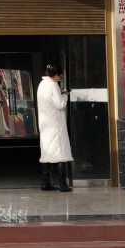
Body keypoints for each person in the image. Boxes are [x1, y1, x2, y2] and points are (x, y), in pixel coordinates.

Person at [36, 64, 72, 192]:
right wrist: (65, 95)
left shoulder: (42, 84)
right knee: (60, 152)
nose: (61, 76)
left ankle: (45, 183)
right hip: (55, 124)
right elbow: (60, 104)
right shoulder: (53, 85)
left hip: (45, 124)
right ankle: (63, 184)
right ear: (55, 74)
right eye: (59, 74)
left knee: (47, 153)